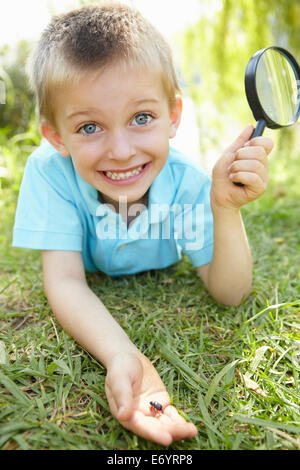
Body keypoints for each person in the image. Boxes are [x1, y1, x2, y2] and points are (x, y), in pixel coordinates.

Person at [12, 2, 273, 446]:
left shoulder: (188, 184)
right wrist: (121, 354)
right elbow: (66, 282)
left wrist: (225, 209)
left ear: (172, 116)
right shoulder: (49, 172)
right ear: (57, 137)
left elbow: (231, 293)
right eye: (90, 127)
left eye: (141, 118)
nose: (121, 151)